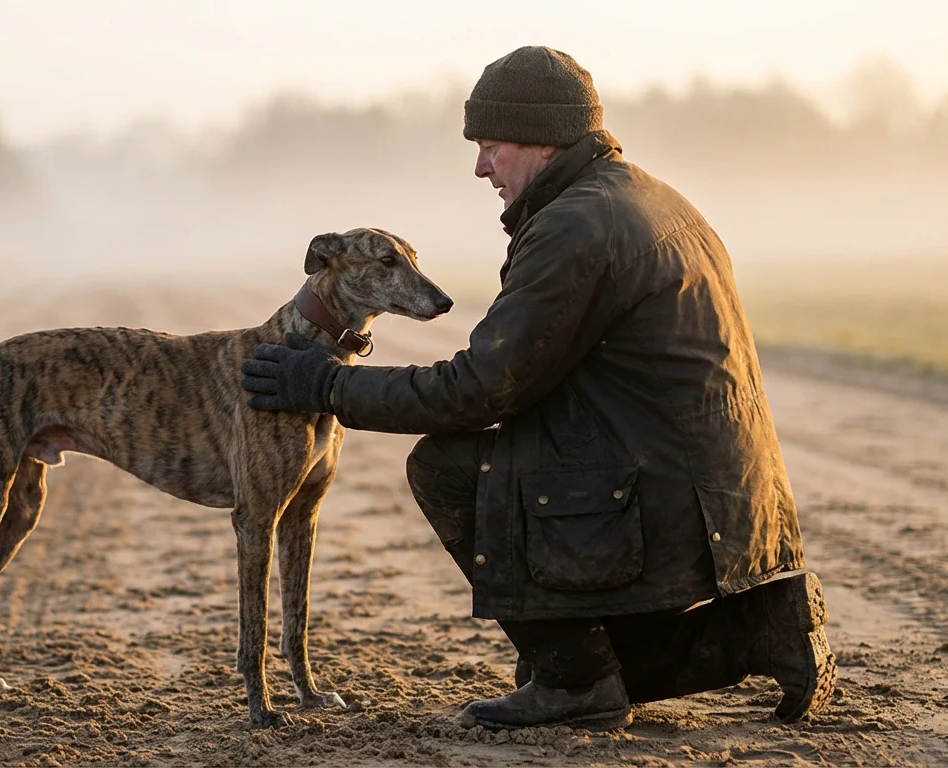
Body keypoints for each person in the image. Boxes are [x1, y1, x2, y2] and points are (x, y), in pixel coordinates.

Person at [239, 46, 836, 732]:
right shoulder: (647, 197)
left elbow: (479, 390)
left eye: (491, 147)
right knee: (564, 649)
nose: (481, 167)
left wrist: (328, 385)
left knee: (448, 467)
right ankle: (757, 627)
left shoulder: (574, 227)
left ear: (543, 140)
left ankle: (582, 676)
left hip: (671, 503)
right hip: (722, 502)